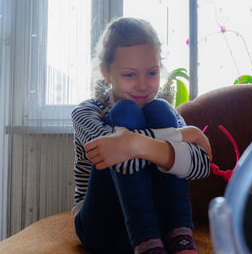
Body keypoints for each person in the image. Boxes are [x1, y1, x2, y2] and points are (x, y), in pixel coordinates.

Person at [71, 17, 212, 254]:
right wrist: (185, 136)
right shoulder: (86, 112)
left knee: (159, 108)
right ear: (106, 73)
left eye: (152, 73)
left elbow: (201, 165)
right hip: (102, 223)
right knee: (124, 112)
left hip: (161, 223)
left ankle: (179, 238)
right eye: (129, 75)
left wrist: (133, 143)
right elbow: (112, 151)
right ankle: (146, 243)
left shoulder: (168, 116)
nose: (142, 85)